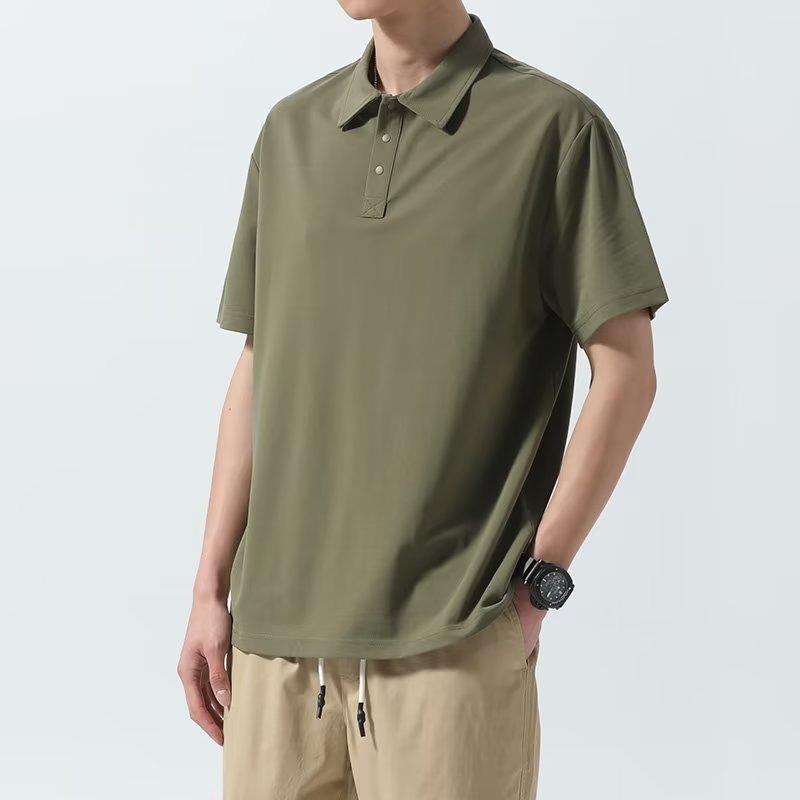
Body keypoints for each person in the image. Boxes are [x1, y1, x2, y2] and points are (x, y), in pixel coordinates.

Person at [178, 2, 668, 798]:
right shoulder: (291, 133)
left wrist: (538, 585)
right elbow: (260, 365)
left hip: (451, 640)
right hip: (272, 646)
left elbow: (627, 372)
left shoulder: (554, 131)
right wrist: (209, 589)